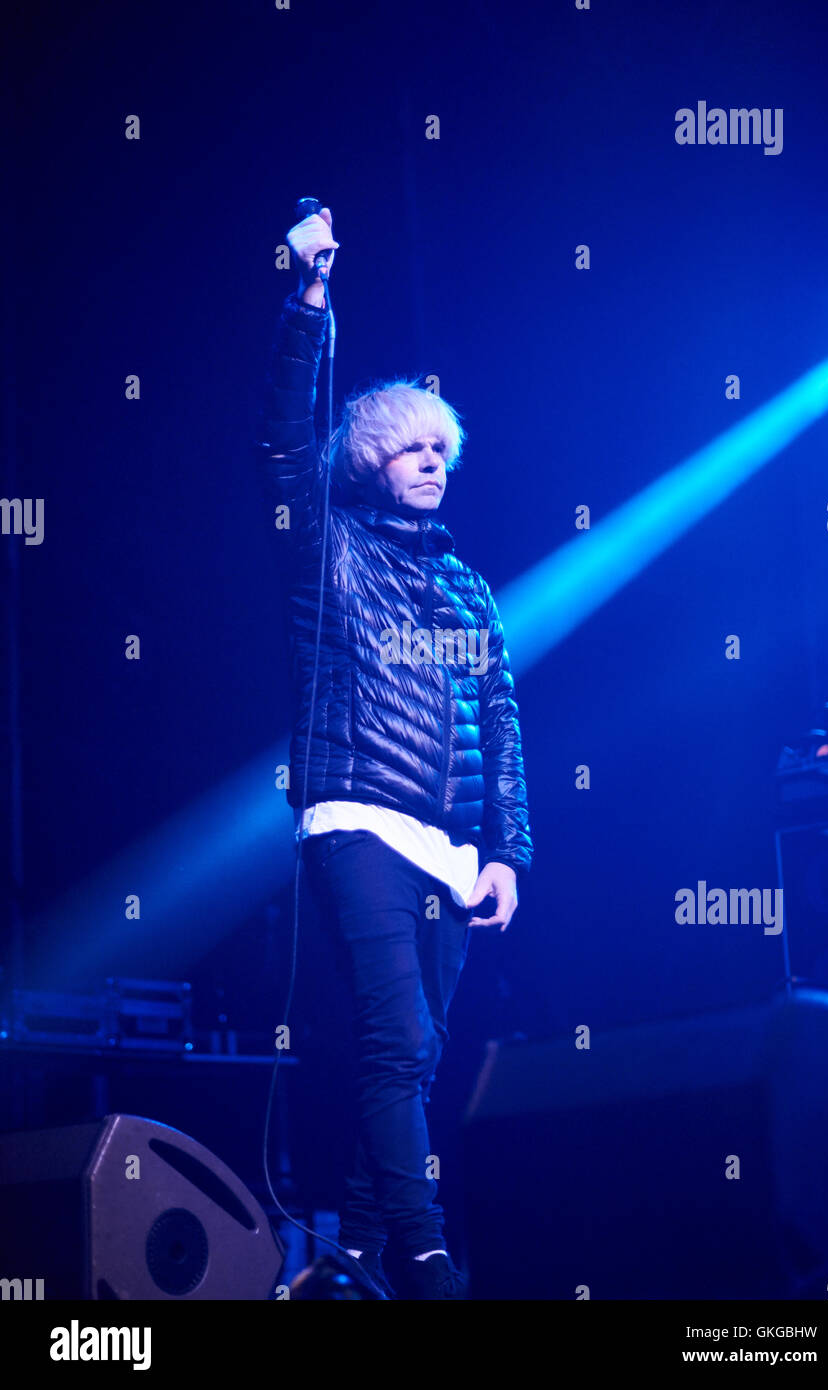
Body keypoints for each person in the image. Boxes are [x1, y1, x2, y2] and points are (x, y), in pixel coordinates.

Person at [255, 206, 533, 1299]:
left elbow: (504, 725)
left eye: (442, 451)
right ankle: (425, 1254)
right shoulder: (328, 550)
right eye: (413, 448)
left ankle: (358, 1261)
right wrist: (309, 301)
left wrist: (506, 851)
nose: (433, 464)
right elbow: (284, 446)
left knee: (415, 1059)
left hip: (451, 845)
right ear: (370, 458)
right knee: (398, 1032)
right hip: (356, 817)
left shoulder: (468, 588)